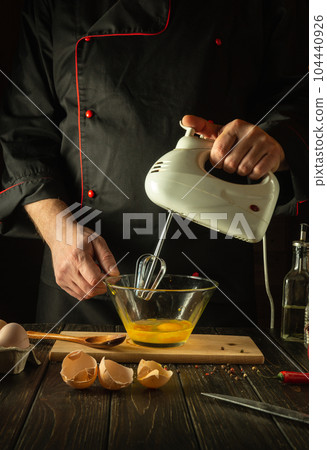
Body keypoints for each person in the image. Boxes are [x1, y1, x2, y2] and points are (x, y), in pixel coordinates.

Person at [0, 0, 308, 325]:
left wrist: (275, 140)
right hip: (83, 277)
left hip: (207, 282)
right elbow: (22, 133)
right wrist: (58, 231)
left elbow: (305, 98)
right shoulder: (53, 6)